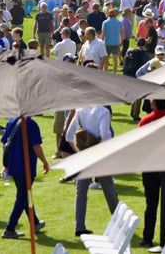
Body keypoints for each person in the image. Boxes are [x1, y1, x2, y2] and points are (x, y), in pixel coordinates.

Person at [66, 101, 120, 236]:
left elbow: (69, 135)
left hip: (83, 158)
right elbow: (105, 135)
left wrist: (79, 150)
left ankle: (79, 227)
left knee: (81, 193)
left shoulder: (79, 111)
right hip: (99, 157)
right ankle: (119, 222)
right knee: (109, 191)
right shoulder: (103, 112)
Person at [0, 116, 50, 239]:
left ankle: (35, 223)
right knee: (22, 198)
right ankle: (10, 228)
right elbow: (36, 147)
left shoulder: (11, 122)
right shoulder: (31, 125)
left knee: (25, 195)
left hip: (14, 166)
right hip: (25, 167)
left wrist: (6, 165)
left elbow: (5, 145)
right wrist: (45, 162)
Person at [138, 99, 165, 248]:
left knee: (151, 203)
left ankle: (148, 237)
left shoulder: (146, 121)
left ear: (154, 104)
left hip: (150, 165)